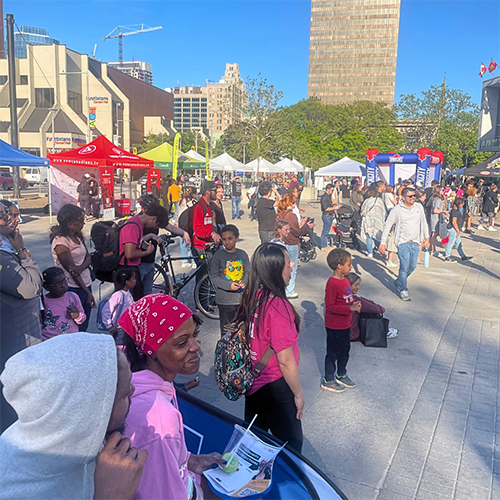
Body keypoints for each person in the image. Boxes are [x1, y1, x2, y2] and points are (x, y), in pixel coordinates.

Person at [0, 333, 147, 500]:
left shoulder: (75, 438)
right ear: (88, 412)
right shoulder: (11, 491)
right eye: (125, 395)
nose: (133, 391)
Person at [119, 295, 225, 500]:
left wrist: (189, 461)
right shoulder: (159, 416)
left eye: (195, 334)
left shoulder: (135, 379)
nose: (196, 346)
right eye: (182, 342)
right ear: (151, 351)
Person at [233, 243, 304, 452]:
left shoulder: (254, 295)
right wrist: (298, 395)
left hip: (254, 383)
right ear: (275, 270)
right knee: (291, 446)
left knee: (253, 442)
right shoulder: (278, 305)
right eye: (286, 262)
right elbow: (285, 359)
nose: (291, 264)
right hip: (275, 385)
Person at [0, 199, 43, 434]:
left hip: (19, 338)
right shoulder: (4, 256)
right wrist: (23, 253)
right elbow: (31, 287)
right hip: (12, 342)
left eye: (9, 213)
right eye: (2, 215)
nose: (9, 218)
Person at [321, 249, 361, 393]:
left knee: (345, 350)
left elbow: (347, 299)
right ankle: (328, 379)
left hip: (346, 324)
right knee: (333, 352)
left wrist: (355, 305)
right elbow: (330, 306)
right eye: (349, 264)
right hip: (334, 325)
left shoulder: (345, 281)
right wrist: (350, 309)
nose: (351, 267)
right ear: (339, 266)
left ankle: (341, 373)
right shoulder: (332, 283)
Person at [379, 186, 430, 301]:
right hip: (402, 242)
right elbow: (387, 225)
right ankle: (403, 289)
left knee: (412, 266)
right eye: (410, 196)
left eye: (414, 196)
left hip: (415, 241)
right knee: (404, 266)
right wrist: (383, 243)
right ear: (403, 197)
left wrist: (426, 237)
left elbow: (423, 222)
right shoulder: (397, 209)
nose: (413, 198)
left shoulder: (419, 207)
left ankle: (398, 281)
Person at [50, 203, 94, 331]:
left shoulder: (77, 236)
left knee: (84, 321)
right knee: (74, 324)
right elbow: (71, 271)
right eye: (80, 220)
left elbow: (88, 257)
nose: (83, 223)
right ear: (70, 221)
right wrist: (87, 293)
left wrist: (80, 269)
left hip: (86, 283)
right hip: (72, 287)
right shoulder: (61, 242)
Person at [119, 200, 170, 300]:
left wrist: (150, 236)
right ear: (153, 218)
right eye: (156, 225)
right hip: (127, 269)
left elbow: (136, 242)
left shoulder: (138, 224)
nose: (155, 228)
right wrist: (147, 252)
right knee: (133, 301)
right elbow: (129, 254)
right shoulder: (133, 226)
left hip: (132, 269)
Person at [211, 224, 250, 336]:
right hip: (225, 300)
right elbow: (214, 277)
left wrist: (245, 282)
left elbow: (248, 272)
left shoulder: (242, 254)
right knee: (227, 331)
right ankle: (226, 352)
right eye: (224, 239)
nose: (227, 242)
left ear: (237, 238)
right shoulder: (218, 256)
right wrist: (229, 285)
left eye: (230, 238)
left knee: (242, 330)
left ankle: (241, 352)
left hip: (241, 299)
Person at [276, 194, 315, 299]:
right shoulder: (291, 215)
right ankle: (289, 290)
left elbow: (291, 228)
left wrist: (300, 223)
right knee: (291, 268)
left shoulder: (280, 214)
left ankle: (280, 288)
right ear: (291, 203)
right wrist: (307, 226)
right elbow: (297, 232)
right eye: (293, 202)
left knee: (282, 267)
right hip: (291, 243)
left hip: (282, 242)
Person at [346, 272, 398, 341]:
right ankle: (384, 331)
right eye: (356, 285)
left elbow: (363, 300)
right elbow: (380, 310)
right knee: (371, 313)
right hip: (352, 334)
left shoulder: (342, 295)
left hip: (341, 331)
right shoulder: (354, 299)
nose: (358, 287)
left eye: (358, 284)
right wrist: (375, 304)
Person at [41, 267, 86, 341]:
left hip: (71, 339)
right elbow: (38, 324)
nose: (63, 285)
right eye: (58, 284)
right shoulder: (43, 302)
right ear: (47, 287)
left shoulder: (73, 297)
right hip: (50, 341)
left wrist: (77, 316)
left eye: (64, 281)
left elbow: (82, 318)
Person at [101, 267, 136, 341]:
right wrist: (109, 325)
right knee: (120, 348)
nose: (135, 281)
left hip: (127, 327)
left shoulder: (128, 293)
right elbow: (106, 310)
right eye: (133, 279)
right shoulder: (118, 295)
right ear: (127, 282)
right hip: (119, 328)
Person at [444, 197, 474, 263]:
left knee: (458, 243)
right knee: (451, 243)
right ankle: (447, 256)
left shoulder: (457, 210)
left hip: (455, 229)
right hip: (453, 229)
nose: (463, 204)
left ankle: (463, 256)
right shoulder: (455, 211)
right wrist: (457, 231)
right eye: (462, 203)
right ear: (460, 203)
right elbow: (454, 222)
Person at [360, 187, 386, 258]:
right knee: (377, 235)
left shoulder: (367, 201)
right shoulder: (380, 201)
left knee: (369, 236)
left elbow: (363, 211)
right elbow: (384, 211)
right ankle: (380, 249)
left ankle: (370, 252)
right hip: (378, 220)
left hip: (368, 220)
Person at [178, 187, 197, 268]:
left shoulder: (181, 201)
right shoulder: (194, 202)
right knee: (193, 243)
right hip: (191, 225)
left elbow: (177, 213)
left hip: (181, 225)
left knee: (183, 243)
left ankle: (184, 260)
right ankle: (193, 260)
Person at [428, 185, 447, 256]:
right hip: (436, 218)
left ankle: (430, 248)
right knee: (434, 234)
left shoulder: (433, 198)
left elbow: (428, 204)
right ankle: (433, 250)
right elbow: (435, 210)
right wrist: (443, 212)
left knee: (433, 234)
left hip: (433, 218)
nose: (443, 191)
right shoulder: (438, 199)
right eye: (442, 190)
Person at [320, 183, 339, 252]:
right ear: (327, 190)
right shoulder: (324, 197)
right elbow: (325, 208)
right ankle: (323, 246)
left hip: (330, 215)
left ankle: (325, 245)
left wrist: (333, 212)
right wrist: (334, 207)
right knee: (325, 231)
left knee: (327, 231)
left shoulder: (329, 196)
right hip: (326, 215)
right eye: (331, 190)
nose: (332, 191)